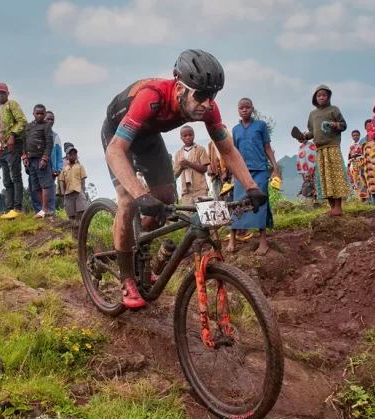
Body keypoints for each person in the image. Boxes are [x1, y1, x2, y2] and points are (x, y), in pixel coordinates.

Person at [101, 49, 267, 308]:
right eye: (201, 95)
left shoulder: (208, 108)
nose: (208, 103)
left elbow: (227, 149)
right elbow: (115, 150)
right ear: (179, 89)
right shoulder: (151, 97)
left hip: (148, 137)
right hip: (118, 134)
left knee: (165, 201)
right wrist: (140, 194)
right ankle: (127, 278)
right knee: (128, 201)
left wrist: (252, 187)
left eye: (213, 96)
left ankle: (139, 248)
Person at [228, 98, 280, 255]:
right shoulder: (235, 129)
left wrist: (275, 168)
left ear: (252, 109)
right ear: (238, 110)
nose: (244, 110)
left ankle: (263, 241)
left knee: (261, 204)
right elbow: (233, 154)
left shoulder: (260, 126)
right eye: (241, 108)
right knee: (237, 204)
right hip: (241, 173)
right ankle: (232, 239)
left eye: (247, 107)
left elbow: (268, 148)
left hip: (260, 170)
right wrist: (232, 176)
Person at [297, 85, 351, 216]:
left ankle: (338, 207)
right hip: (319, 149)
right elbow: (312, 132)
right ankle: (332, 207)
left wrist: (335, 124)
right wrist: (304, 136)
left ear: (328, 97)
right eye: (319, 95)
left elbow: (343, 125)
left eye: (324, 95)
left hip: (332, 147)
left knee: (335, 176)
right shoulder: (312, 114)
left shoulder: (334, 109)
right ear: (315, 98)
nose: (321, 97)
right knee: (324, 179)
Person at [0, 83, 27, 219]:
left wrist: (12, 136)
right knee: (6, 180)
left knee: (15, 176)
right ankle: (9, 208)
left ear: (8, 93)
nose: (1, 95)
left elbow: (22, 121)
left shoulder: (11, 104)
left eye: (3, 92)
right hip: (2, 148)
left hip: (13, 145)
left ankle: (17, 208)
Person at [22, 104, 55, 218]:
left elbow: (49, 144)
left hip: (41, 158)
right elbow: (24, 142)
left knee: (45, 184)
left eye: (42, 114)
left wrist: (45, 159)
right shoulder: (28, 126)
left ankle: (46, 209)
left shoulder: (46, 126)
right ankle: (42, 210)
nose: (40, 116)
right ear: (33, 114)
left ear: (45, 114)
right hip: (30, 159)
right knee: (36, 185)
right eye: (38, 113)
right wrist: (25, 156)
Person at [174, 126, 210, 206]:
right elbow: (176, 174)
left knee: (202, 212)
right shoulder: (178, 153)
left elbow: (204, 169)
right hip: (186, 191)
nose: (188, 137)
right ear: (181, 138)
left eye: (190, 135)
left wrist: (189, 163)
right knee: (188, 215)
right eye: (185, 135)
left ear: (194, 135)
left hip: (200, 188)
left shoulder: (200, 149)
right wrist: (181, 167)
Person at [59, 144, 87, 221]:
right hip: (68, 194)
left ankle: (81, 230)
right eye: (71, 154)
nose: (73, 156)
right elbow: (61, 181)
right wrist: (63, 193)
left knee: (81, 212)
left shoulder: (80, 167)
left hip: (78, 192)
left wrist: (83, 192)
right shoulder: (64, 169)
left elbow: (83, 180)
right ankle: (73, 231)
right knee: (71, 216)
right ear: (67, 156)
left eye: (75, 154)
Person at [207, 128, 232, 200]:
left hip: (226, 174)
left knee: (228, 198)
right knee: (218, 199)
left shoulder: (228, 142)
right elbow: (208, 158)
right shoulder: (210, 144)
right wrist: (209, 169)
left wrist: (226, 172)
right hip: (215, 175)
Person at [347, 129, 368, 201]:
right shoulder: (351, 147)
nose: (355, 137)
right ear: (352, 137)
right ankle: (360, 198)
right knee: (356, 181)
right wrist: (348, 166)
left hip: (361, 163)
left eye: (357, 135)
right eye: (354, 135)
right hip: (354, 165)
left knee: (363, 179)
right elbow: (349, 157)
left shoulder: (362, 144)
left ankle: (366, 197)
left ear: (359, 136)